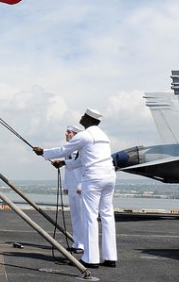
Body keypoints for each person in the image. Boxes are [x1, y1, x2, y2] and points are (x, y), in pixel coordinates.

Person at [33, 108, 117, 269]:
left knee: (90, 217)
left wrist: (43, 152)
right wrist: (65, 163)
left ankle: (90, 259)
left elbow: (64, 150)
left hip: (94, 178)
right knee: (107, 216)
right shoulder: (103, 136)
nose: (81, 117)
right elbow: (83, 159)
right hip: (109, 177)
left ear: (89, 120)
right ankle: (110, 257)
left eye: (84, 116)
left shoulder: (85, 135)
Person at [55, 124, 84, 254]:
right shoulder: (68, 149)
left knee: (82, 217)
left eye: (69, 132)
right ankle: (77, 242)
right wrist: (66, 186)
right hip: (72, 187)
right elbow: (68, 169)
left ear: (76, 135)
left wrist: (81, 185)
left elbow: (86, 170)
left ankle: (83, 244)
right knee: (74, 216)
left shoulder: (82, 149)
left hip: (80, 188)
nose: (66, 134)